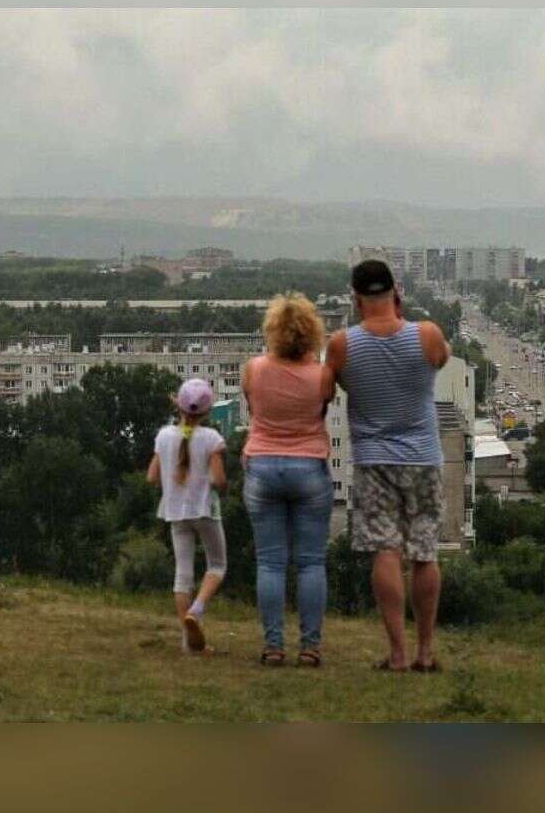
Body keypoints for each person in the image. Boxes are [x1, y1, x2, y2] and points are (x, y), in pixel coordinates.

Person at [326, 259, 450, 673]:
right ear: (396, 291)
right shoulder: (427, 335)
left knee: (386, 550)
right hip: (424, 457)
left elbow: (334, 385)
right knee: (425, 552)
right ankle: (425, 651)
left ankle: (396, 653)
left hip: (373, 459)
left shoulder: (343, 344)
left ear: (356, 297)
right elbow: (441, 359)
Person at [242, 293, 335, 667]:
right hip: (309, 467)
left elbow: (252, 408)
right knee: (311, 562)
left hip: (263, 467)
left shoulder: (254, 370)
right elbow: (322, 410)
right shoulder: (322, 375)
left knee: (270, 563)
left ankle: (273, 645)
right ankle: (310, 647)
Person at [147, 377, 228, 653]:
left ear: (178, 406)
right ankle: (197, 609)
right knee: (217, 566)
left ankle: (188, 641)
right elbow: (218, 480)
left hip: (175, 511)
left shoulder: (164, 436)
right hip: (205, 509)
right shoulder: (212, 439)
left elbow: (151, 477)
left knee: (183, 574)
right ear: (206, 411)